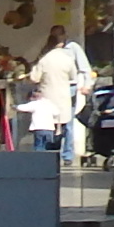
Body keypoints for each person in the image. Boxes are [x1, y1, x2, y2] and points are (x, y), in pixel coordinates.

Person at [29, 26, 94, 160]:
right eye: (55, 35)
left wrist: (87, 85)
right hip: (54, 88)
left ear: (65, 35)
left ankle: (67, 154)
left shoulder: (73, 48)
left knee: (67, 122)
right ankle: (53, 150)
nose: (58, 38)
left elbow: (84, 68)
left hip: (68, 87)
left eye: (59, 35)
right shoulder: (47, 50)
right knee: (51, 120)